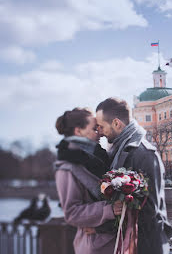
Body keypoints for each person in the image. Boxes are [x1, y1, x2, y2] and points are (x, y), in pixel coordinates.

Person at [96, 98, 172, 254]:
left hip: (145, 246)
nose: (99, 132)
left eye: (101, 126)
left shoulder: (144, 153)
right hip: (132, 243)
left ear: (116, 123)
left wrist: (101, 226)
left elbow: (149, 210)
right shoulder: (121, 148)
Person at [55, 107, 122, 254]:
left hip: (110, 243)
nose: (100, 133)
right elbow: (72, 213)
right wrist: (109, 209)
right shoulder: (66, 168)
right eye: (94, 129)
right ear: (78, 131)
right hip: (94, 246)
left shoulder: (98, 157)